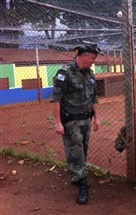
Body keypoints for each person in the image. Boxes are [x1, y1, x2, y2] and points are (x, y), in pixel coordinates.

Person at [50, 44, 103, 204]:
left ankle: (77, 174)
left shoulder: (90, 74)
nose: (94, 62)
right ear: (84, 56)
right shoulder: (65, 73)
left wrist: (97, 118)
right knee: (76, 150)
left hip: (86, 119)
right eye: (93, 58)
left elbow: (93, 98)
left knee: (82, 150)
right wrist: (58, 123)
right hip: (71, 121)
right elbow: (55, 100)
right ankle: (82, 183)